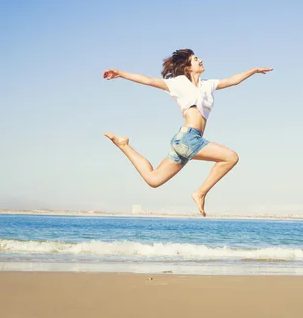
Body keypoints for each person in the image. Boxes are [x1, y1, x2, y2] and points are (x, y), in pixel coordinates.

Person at [102, 49, 273, 216]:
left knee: (153, 179)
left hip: (184, 141)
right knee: (231, 157)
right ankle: (200, 193)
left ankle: (123, 144)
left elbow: (233, 80)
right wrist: (120, 73)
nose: (200, 60)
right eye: (196, 58)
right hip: (188, 138)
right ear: (188, 67)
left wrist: (254, 70)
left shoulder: (208, 85)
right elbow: (147, 80)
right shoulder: (177, 83)